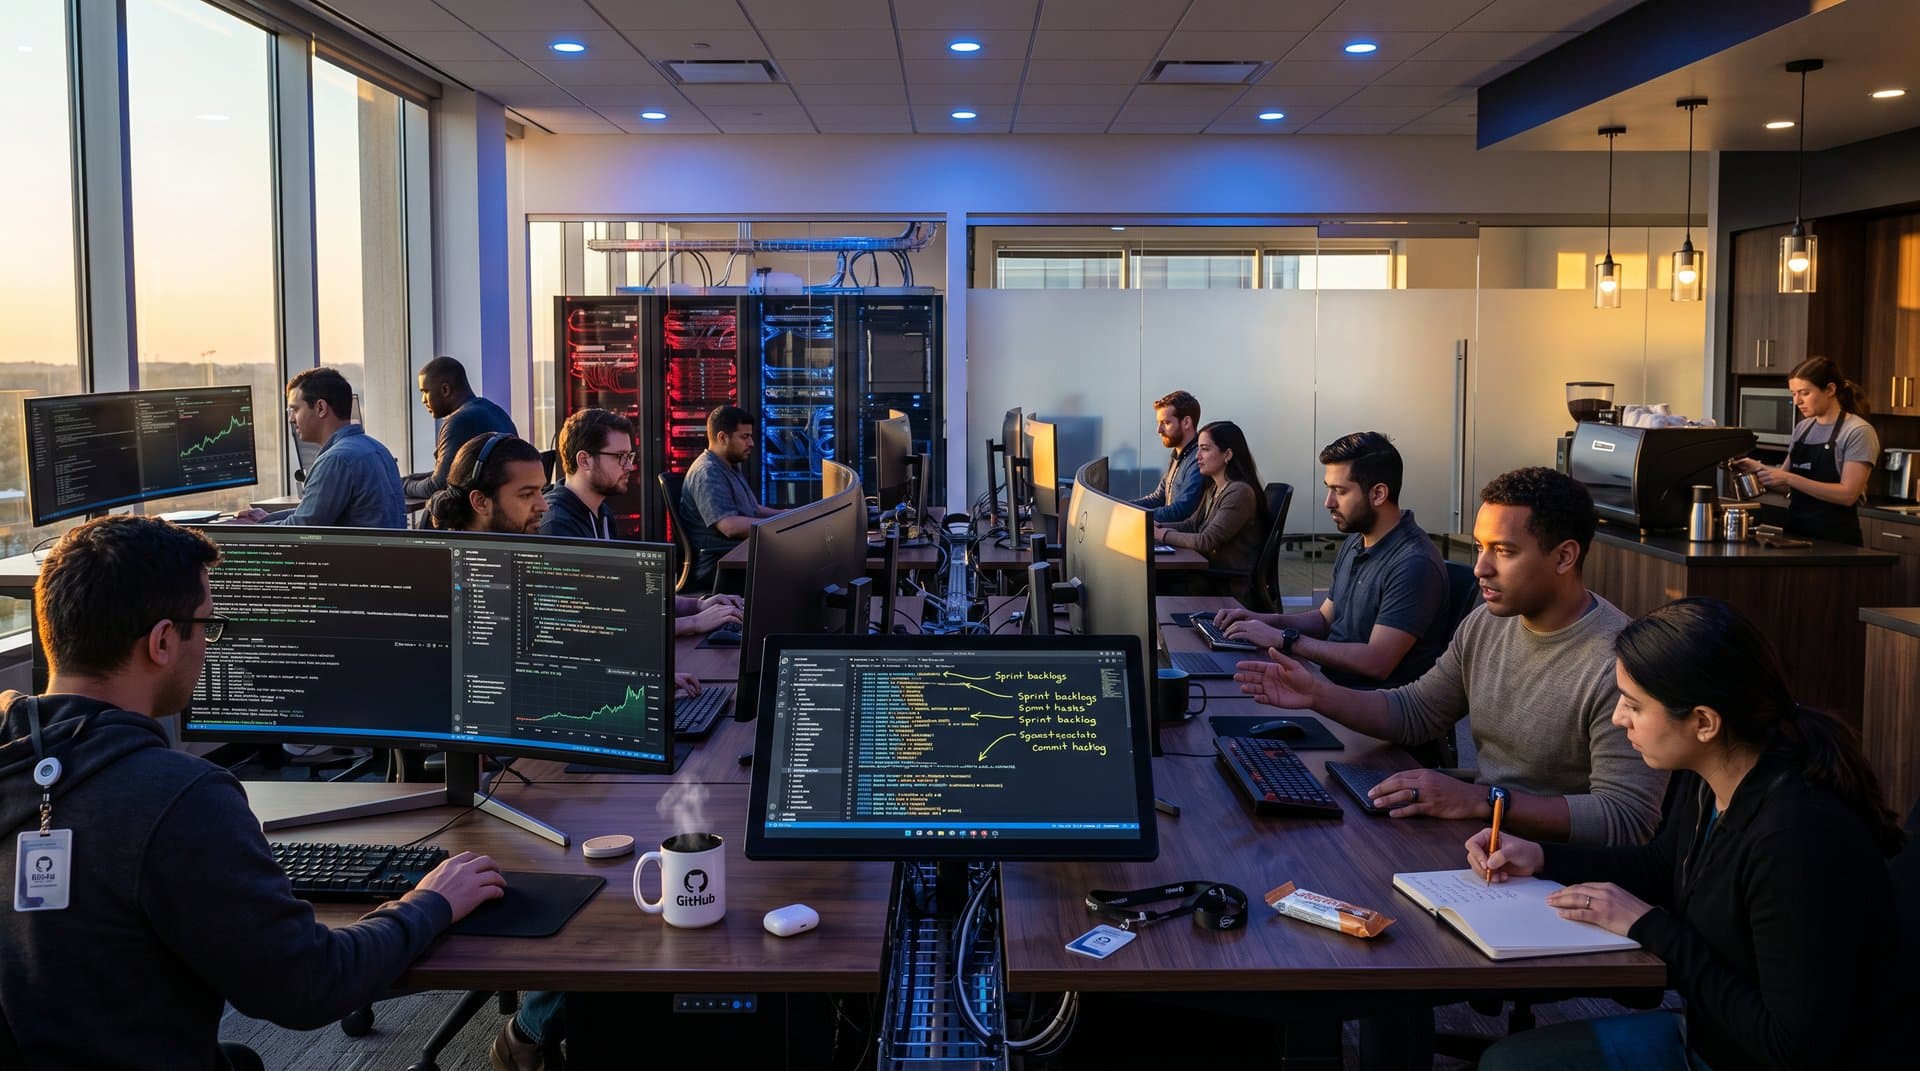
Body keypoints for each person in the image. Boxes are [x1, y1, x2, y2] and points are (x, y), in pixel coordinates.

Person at [0, 516, 505, 1069]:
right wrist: (427, 903)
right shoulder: (179, 798)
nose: (210, 645)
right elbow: (308, 985)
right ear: (164, 641)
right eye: (208, 627)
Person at [1469, 597, 1902, 1070]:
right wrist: (1541, 858)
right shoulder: (1710, 774)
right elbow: (1663, 865)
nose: (1618, 718)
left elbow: (1791, 1047)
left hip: (1752, 1055)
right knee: (1507, 1062)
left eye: (1634, 705)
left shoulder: (1796, 840)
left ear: (1703, 722)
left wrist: (1651, 928)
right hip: (1711, 1036)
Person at [1235, 466, 1666, 846]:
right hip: (1483, 839)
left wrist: (1485, 801)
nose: (1480, 568)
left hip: (1553, 869)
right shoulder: (1487, 623)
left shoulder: (1620, 662)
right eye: (1480, 547)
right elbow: (1414, 712)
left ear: (1564, 556)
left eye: (1504, 551)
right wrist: (1316, 693)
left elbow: (1626, 817)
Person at [1214, 431, 1449, 687]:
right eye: (1329, 489)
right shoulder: (1356, 541)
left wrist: (1284, 639)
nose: (1328, 502)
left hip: (1367, 709)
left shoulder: (1414, 562)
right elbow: (1325, 619)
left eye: (1340, 491)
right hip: (1330, 686)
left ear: (1378, 494)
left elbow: (1377, 661)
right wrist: (1259, 620)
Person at [540, 408, 743, 639]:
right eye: (620, 457)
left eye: (630, 457)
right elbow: (590, 624)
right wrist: (694, 623)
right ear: (584, 460)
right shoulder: (557, 525)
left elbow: (624, 595)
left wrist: (697, 606)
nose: (629, 466)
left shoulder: (601, 513)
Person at [231, 368, 406, 528]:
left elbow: (303, 527)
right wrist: (266, 518)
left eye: (295, 410)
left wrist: (248, 528)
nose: (291, 419)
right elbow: (314, 514)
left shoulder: (336, 459)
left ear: (321, 408)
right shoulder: (377, 448)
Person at [1732, 355, 1879, 545]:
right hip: (1795, 535)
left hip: (1836, 541)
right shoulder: (1803, 428)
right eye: (1793, 394)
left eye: (1804, 393)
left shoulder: (1857, 431)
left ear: (1830, 389)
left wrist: (1789, 478)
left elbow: (1848, 494)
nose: (1797, 401)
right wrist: (1757, 469)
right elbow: (1784, 483)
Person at [1152, 420, 1266, 600]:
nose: (1198, 456)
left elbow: (1206, 541)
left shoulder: (1239, 492)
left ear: (1227, 454)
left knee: (1151, 581)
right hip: (1207, 576)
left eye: (1205, 449)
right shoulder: (1214, 488)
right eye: (1198, 449)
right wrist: (1155, 526)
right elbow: (1191, 525)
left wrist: (1161, 535)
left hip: (1224, 586)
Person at [681, 405, 783, 590]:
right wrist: (780, 527)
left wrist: (788, 515)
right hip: (718, 565)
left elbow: (754, 510)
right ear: (722, 437)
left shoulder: (729, 466)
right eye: (744, 437)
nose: (751, 443)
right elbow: (729, 526)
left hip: (735, 555)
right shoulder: (708, 472)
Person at [402, 355, 517, 501]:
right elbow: (451, 473)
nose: (423, 400)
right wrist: (409, 479)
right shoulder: (495, 411)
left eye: (425, 391)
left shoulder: (458, 422)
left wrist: (402, 486)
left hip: (480, 518)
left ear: (445, 390)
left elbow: (438, 485)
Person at [425, 433, 549, 535]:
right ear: (480, 502)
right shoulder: (438, 563)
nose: (544, 506)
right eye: (526, 495)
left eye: (542, 491)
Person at [1131, 389, 1206, 523]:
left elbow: (1182, 510)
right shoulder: (1177, 455)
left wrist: (1136, 518)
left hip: (1181, 539)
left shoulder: (1199, 459)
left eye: (1166, 423)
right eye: (1159, 423)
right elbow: (1158, 498)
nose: (1159, 430)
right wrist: (1121, 508)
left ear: (1186, 423)